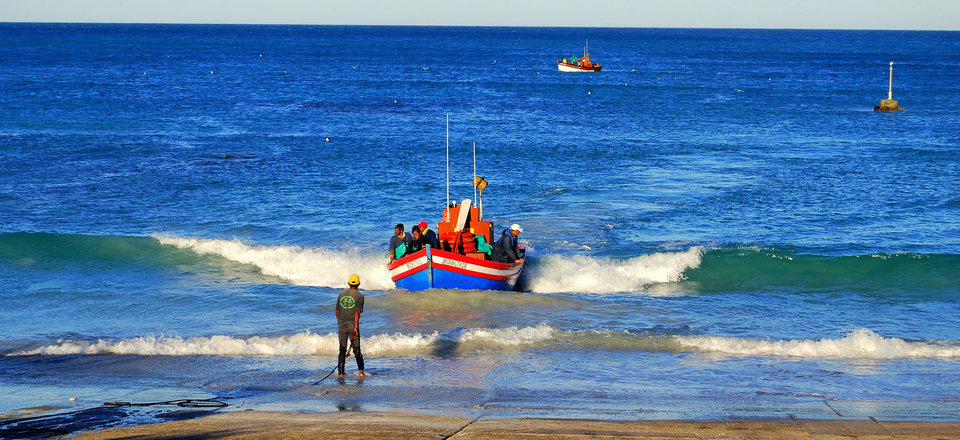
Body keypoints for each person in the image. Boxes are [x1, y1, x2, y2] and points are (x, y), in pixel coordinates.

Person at [336, 274, 365, 378]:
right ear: (359, 284)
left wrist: (340, 323)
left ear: (348, 283)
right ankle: (361, 372)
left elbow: (337, 311)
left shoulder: (341, 294)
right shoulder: (360, 296)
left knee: (342, 350)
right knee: (357, 350)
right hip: (353, 325)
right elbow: (357, 312)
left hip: (342, 325)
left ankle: (341, 373)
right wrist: (356, 327)